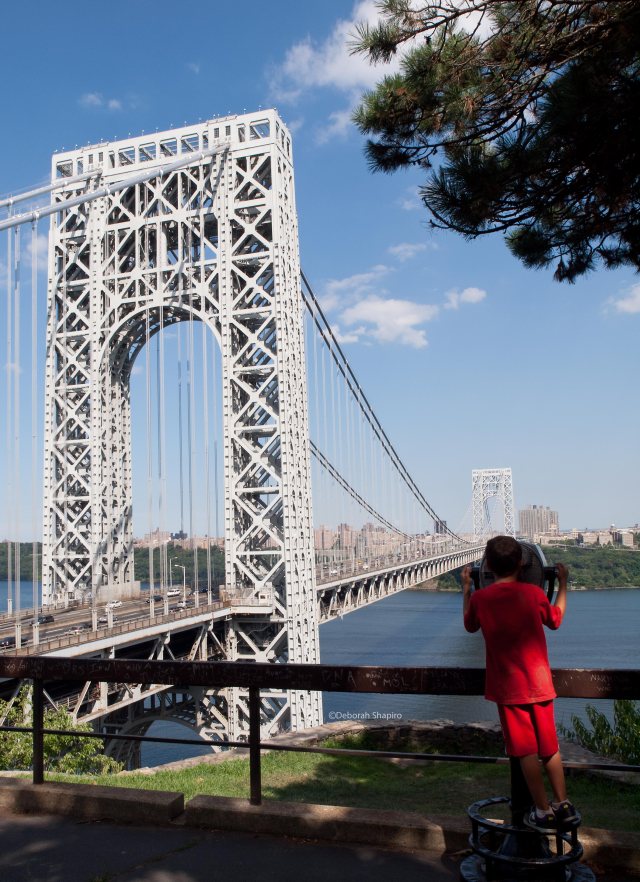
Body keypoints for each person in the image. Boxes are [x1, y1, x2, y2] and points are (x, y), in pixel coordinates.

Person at [461, 535, 579, 832]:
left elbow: (470, 624)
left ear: (486, 565)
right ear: (523, 563)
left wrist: (467, 588)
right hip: (539, 683)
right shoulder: (534, 594)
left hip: (508, 688)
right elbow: (556, 620)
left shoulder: (481, 599)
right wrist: (563, 584)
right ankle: (562, 803)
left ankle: (541, 810)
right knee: (549, 747)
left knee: (525, 750)